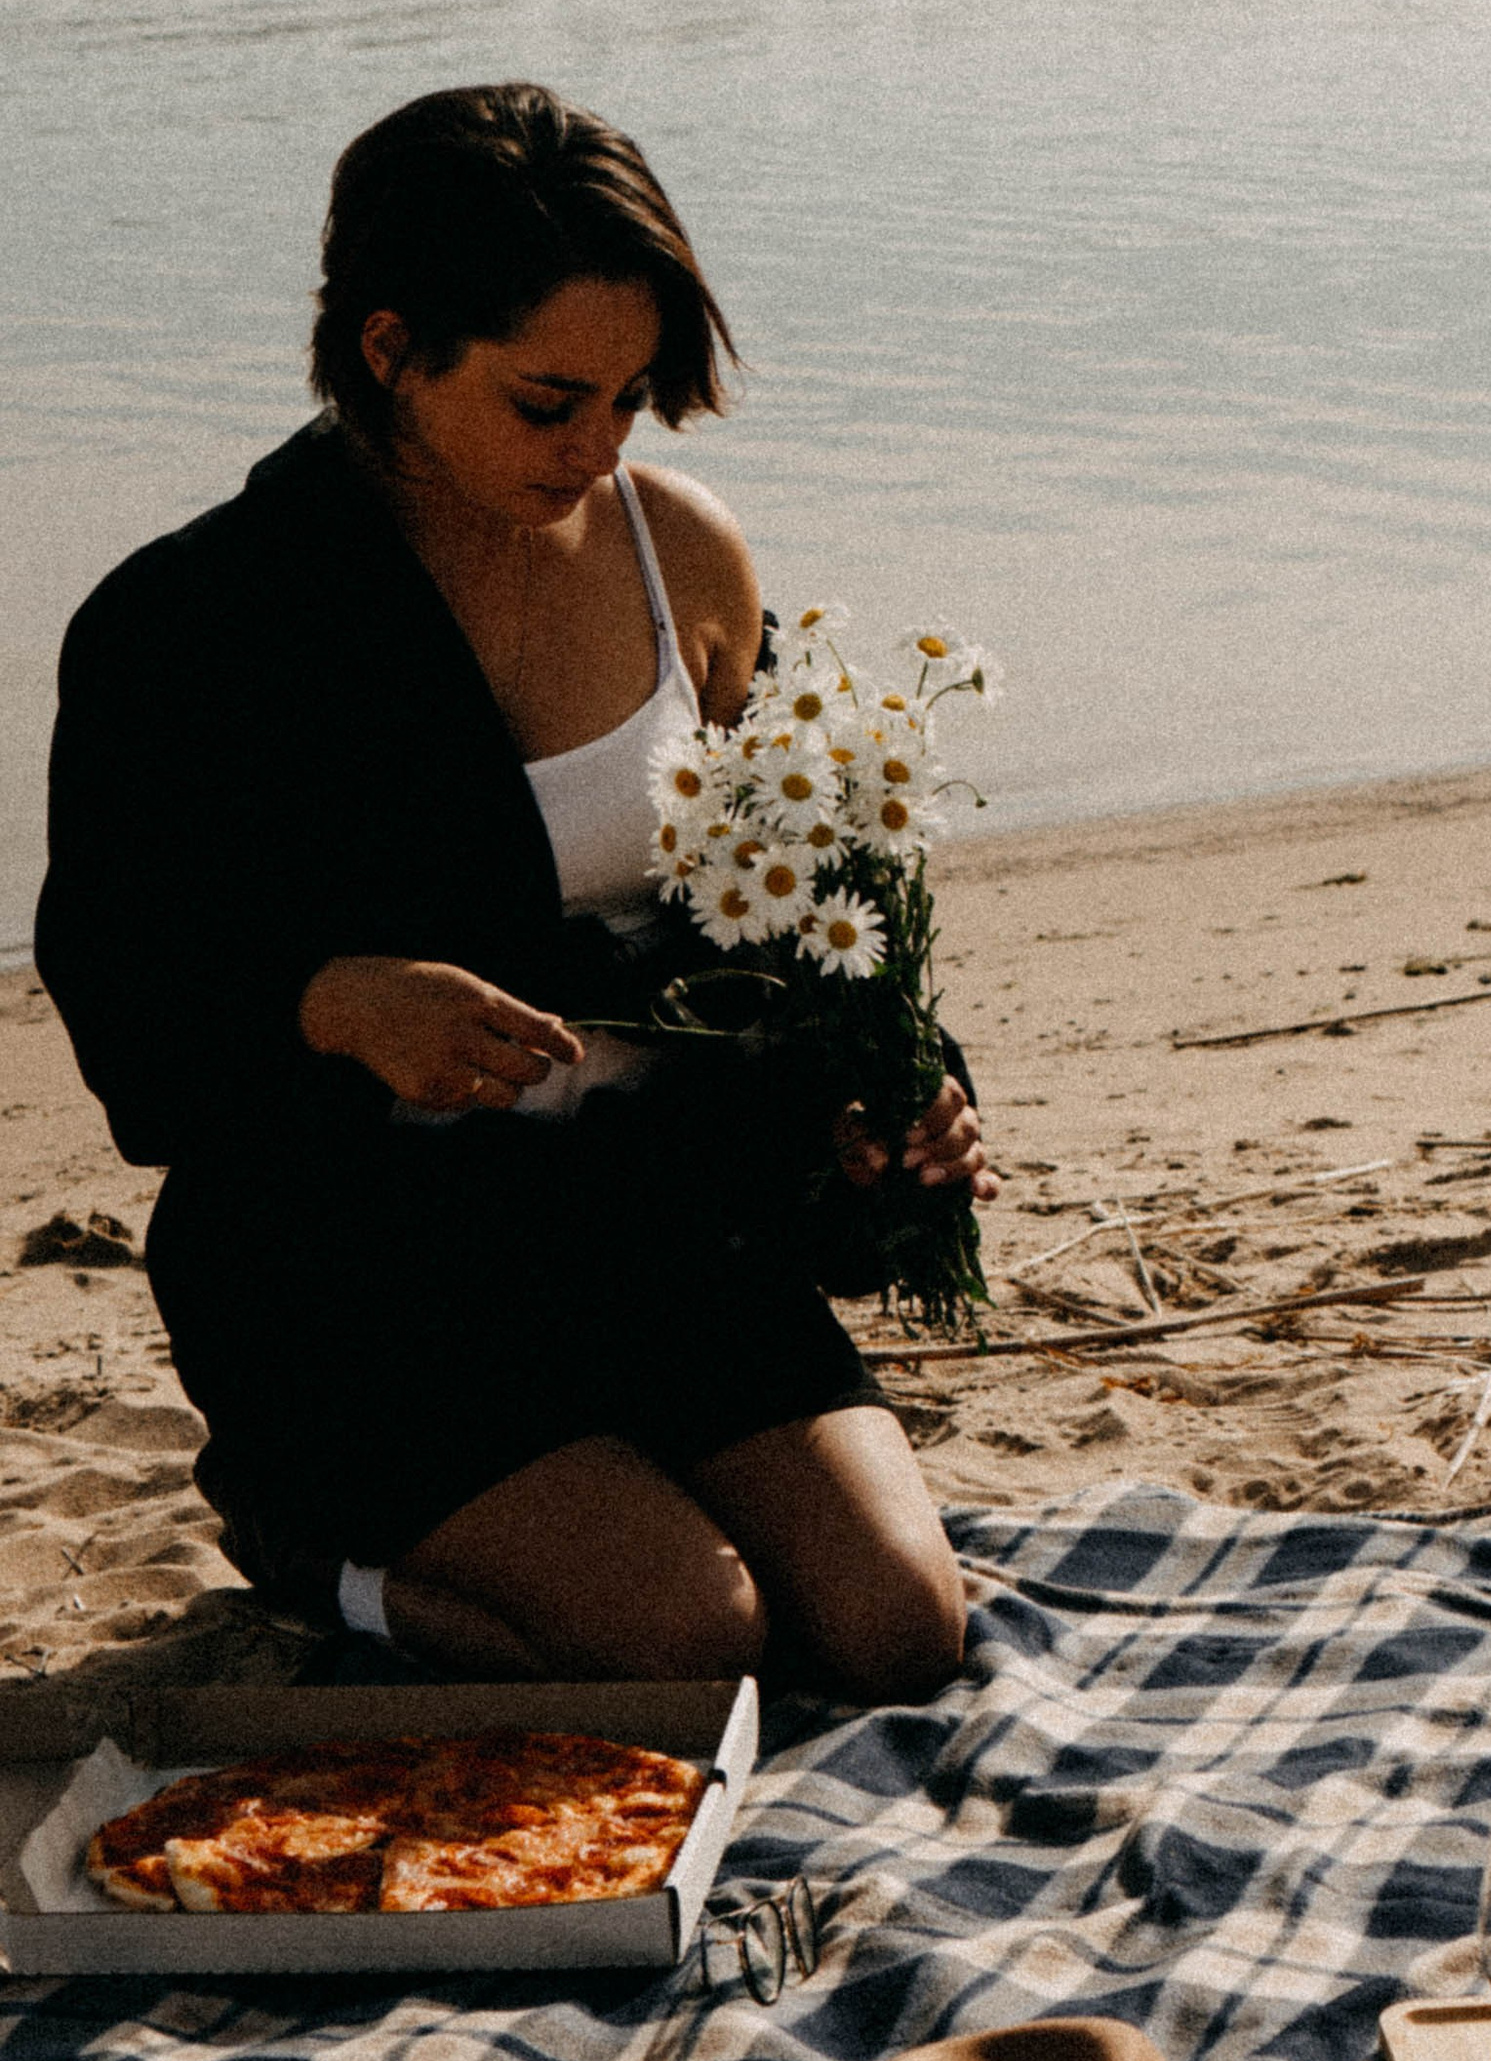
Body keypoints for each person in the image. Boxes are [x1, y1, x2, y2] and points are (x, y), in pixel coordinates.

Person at [36, 84, 985, 1698]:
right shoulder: (195, 621)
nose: (601, 447)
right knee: (688, 1644)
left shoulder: (680, 555)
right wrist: (332, 1005)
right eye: (551, 401)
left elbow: (799, 915)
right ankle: (315, 1548)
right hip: (367, 1266)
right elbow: (123, 986)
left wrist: (902, 1093)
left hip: (662, 1218)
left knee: (897, 1632)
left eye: (633, 397)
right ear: (392, 349)